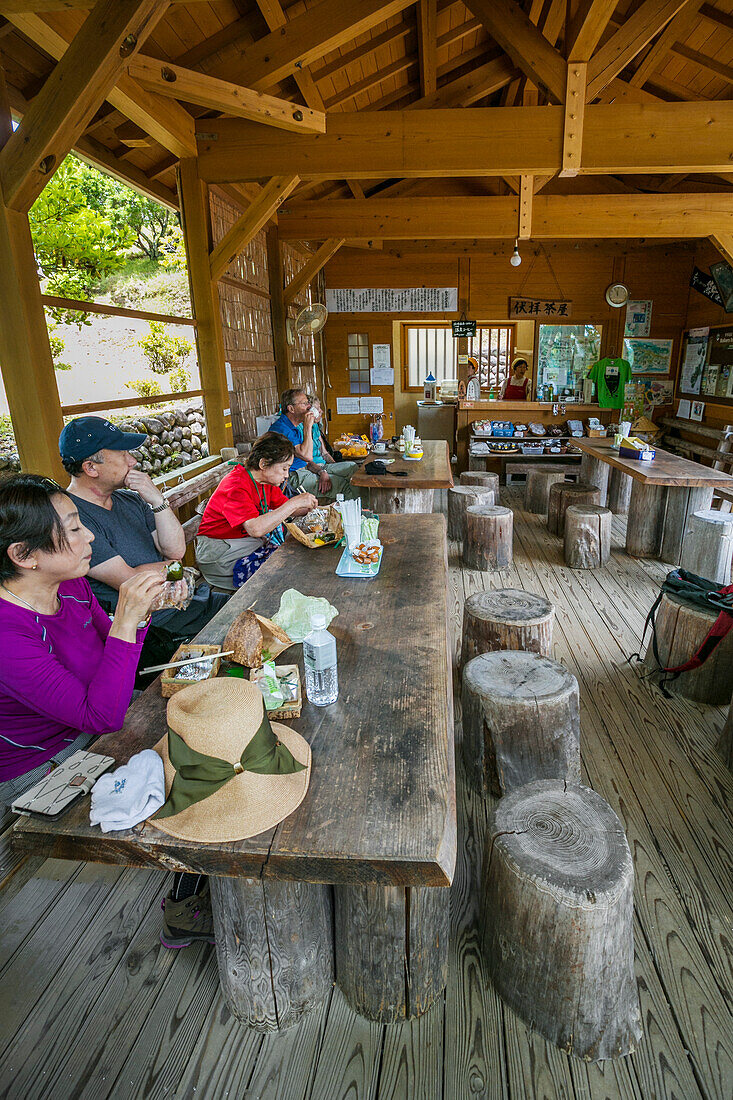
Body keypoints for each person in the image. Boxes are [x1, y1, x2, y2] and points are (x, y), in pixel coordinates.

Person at [0, 473, 216, 950]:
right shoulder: (6, 631)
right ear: (23, 555)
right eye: (74, 528)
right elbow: (102, 717)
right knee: (195, 762)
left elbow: (113, 667)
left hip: (90, 723)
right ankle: (185, 902)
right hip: (37, 765)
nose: (90, 536)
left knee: (206, 736)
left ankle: (192, 884)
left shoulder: (69, 586)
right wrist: (126, 617)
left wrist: (138, 615)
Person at [60, 416, 228, 668]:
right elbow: (130, 579)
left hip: (184, 603)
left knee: (250, 609)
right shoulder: (73, 518)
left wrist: (156, 499)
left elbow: (175, 550)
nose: (133, 461)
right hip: (153, 628)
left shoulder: (129, 499)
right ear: (91, 468)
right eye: (123, 454)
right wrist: (173, 568)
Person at [195, 433, 319, 591]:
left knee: (294, 560)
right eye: (284, 468)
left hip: (245, 545)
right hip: (220, 555)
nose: (287, 475)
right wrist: (295, 502)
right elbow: (256, 528)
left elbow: (289, 508)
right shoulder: (236, 485)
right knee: (286, 569)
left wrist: (310, 505)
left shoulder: (265, 482)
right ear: (264, 463)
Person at [269, 388, 360, 500]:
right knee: (343, 484)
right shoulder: (282, 429)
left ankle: (363, 510)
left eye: (308, 403)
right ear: (291, 408)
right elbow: (307, 456)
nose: (309, 407)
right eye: (304, 403)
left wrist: (322, 471)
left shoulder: (294, 426)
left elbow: (308, 461)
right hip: (292, 476)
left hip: (306, 469)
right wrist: (307, 426)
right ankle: (359, 513)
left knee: (353, 468)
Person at [306, 394, 357, 479]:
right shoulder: (302, 429)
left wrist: (336, 466)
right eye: (318, 409)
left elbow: (325, 453)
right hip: (316, 468)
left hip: (324, 465)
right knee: (352, 467)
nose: (321, 411)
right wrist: (322, 472)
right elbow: (307, 462)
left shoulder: (315, 426)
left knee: (351, 469)